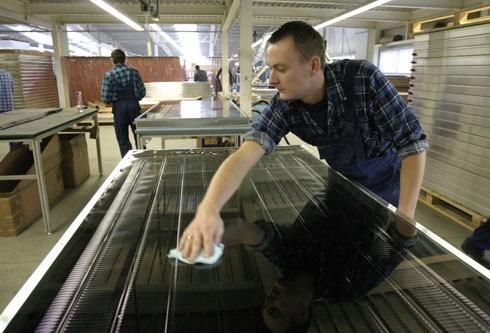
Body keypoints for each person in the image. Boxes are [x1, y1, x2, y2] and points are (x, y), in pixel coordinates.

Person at [179, 20, 427, 261]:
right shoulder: (285, 106)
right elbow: (245, 156)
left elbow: (412, 143)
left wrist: (405, 215)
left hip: (387, 193)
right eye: (271, 68)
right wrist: (208, 209)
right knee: (340, 251)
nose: (271, 80)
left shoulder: (362, 80)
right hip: (342, 187)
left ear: (313, 65)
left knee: (371, 257)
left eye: (281, 69)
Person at [221, 174, 417, 332]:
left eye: (265, 305)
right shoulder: (348, 285)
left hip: (341, 167)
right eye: (275, 311)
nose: (269, 301)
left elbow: (244, 231)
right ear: (302, 314)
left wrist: (211, 237)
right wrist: (408, 178)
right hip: (380, 178)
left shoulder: (287, 258)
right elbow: (398, 242)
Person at [101, 48, 146, 157]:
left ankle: (128, 165)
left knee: (123, 140)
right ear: (125, 59)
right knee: (139, 136)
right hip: (134, 107)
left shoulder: (109, 75)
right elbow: (142, 92)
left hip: (119, 109)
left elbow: (105, 98)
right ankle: (144, 160)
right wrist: (134, 100)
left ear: (112, 60)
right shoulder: (134, 72)